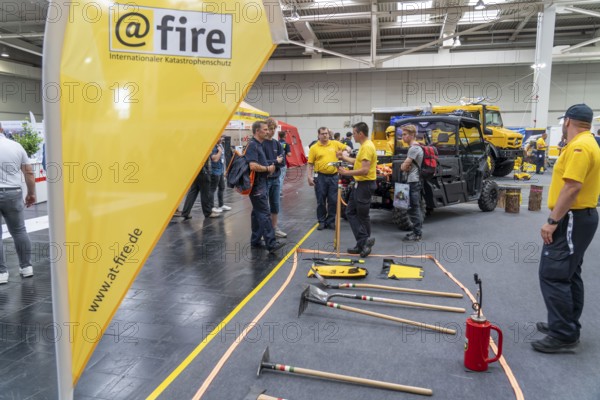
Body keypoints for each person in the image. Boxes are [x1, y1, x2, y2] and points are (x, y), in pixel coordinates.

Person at [532, 104, 600, 353]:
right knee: (569, 274)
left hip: (572, 218)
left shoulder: (581, 147)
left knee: (554, 273)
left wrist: (552, 222)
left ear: (568, 121)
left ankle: (563, 334)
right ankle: (565, 325)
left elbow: (572, 187)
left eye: (563, 122)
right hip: (580, 218)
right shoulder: (587, 142)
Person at [0, 123, 35, 283]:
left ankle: (2, 273)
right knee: (19, 231)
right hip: (13, 193)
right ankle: (26, 267)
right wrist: (31, 193)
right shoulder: (16, 146)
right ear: (1, 129)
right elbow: (28, 172)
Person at [337, 122, 377, 257]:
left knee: (362, 216)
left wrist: (345, 173)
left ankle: (364, 242)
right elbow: (357, 162)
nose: (352, 135)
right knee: (350, 212)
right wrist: (343, 157)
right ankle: (363, 242)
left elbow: (365, 170)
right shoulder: (364, 146)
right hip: (359, 185)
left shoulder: (366, 147)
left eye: (354, 133)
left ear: (360, 134)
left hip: (364, 185)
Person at [246, 120, 285, 254]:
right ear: (257, 131)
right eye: (265, 129)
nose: (268, 132)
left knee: (257, 212)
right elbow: (253, 165)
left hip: (260, 184)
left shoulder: (259, 145)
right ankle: (271, 243)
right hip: (258, 185)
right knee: (264, 213)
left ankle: (255, 240)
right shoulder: (253, 145)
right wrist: (268, 167)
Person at [307, 127, 350, 230]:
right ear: (318, 135)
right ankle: (321, 221)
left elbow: (347, 148)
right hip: (320, 177)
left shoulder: (335, 144)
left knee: (333, 200)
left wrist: (345, 152)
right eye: (322, 134)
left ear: (329, 134)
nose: (325, 135)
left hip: (333, 177)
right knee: (321, 200)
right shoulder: (314, 148)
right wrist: (309, 177)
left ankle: (330, 221)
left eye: (326, 133)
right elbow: (310, 164)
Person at [400, 124, 424, 242]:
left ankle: (417, 233)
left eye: (405, 135)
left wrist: (403, 166)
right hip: (413, 180)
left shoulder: (413, 148)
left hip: (413, 181)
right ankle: (415, 231)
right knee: (412, 207)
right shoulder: (415, 147)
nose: (402, 137)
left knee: (414, 208)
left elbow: (404, 167)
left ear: (412, 135)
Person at [264, 118, 287, 238]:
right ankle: (264, 231)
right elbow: (260, 162)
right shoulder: (260, 143)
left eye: (274, 129)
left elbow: (282, 162)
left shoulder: (276, 144)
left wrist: (272, 164)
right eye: (269, 129)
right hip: (264, 180)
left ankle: (274, 228)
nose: (272, 131)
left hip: (275, 179)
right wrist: (274, 162)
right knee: (263, 207)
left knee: (275, 205)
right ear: (265, 129)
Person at [209, 135, 232, 214]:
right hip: (215, 171)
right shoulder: (213, 147)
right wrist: (219, 152)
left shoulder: (220, 145)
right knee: (212, 189)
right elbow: (215, 159)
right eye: (220, 137)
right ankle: (211, 207)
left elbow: (223, 159)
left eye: (222, 137)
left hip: (221, 170)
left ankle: (221, 205)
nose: (222, 139)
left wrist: (224, 170)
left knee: (222, 187)